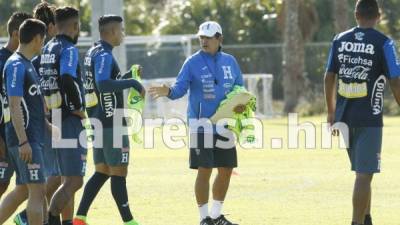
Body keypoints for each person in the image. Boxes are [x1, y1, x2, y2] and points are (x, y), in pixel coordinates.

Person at [149, 21, 244, 225]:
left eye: (208, 37)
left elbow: (239, 89)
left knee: (226, 168)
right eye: (201, 37)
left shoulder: (231, 61)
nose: (204, 41)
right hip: (201, 125)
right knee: (205, 169)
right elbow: (179, 89)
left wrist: (241, 105)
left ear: (219, 39)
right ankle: (204, 218)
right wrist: (169, 91)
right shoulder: (192, 62)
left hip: (225, 126)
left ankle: (217, 215)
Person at [324, 0, 400, 225]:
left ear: (356, 14)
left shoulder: (339, 40)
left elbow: (329, 77)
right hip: (369, 118)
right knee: (364, 175)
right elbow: (395, 81)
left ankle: (366, 218)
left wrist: (331, 112)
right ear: (378, 16)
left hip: (345, 117)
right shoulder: (384, 43)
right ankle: (356, 222)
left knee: (363, 170)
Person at [73, 14, 144, 225]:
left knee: (102, 171)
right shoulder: (104, 54)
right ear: (112, 32)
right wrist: (132, 82)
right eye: (121, 30)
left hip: (98, 121)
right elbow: (103, 84)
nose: (123, 34)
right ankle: (129, 221)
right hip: (111, 122)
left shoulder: (93, 52)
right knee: (119, 172)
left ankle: (80, 217)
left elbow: (103, 84)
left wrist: (127, 75)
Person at [13, 2, 75, 225]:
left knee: (61, 176)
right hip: (54, 120)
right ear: (51, 28)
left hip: (47, 121)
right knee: (62, 176)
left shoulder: (39, 55)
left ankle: (50, 219)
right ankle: (26, 216)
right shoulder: (48, 54)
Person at [38, 6, 86, 225]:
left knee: (64, 178)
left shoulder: (48, 48)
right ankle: (49, 219)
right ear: (75, 26)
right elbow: (67, 79)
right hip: (67, 120)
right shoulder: (69, 49)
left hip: (53, 118)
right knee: (74, 181)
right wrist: (77, 107)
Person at [0, 18, 47, 225]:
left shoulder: (26, 64)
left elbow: (32, 104)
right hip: (25, 139)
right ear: (37, 39)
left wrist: (49, 127)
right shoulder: (17, 64)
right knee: (37, 191)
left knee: (21, 191)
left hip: (29, 137)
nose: (43, 44)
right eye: (43, 39)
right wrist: (23, 141)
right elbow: (14, 103)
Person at [0, 11, 33, 201]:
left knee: (29, 186)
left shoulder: (23, 62)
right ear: (15, 34)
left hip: (17, 136)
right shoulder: (3, 61)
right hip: (4, 138)